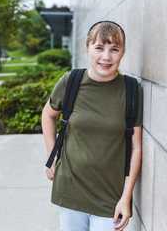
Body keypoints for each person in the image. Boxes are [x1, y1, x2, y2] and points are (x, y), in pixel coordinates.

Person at [42, 21, 143, 231]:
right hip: (70, 190)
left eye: (114, 49)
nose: (106, 57)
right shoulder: (71, 82)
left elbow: (136, 147)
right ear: (87, 49)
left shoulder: (132, 90)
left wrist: (126, 197)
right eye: (99, 48)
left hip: (111, 198)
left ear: (122, 52)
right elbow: (48, 115)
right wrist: (52, 154)